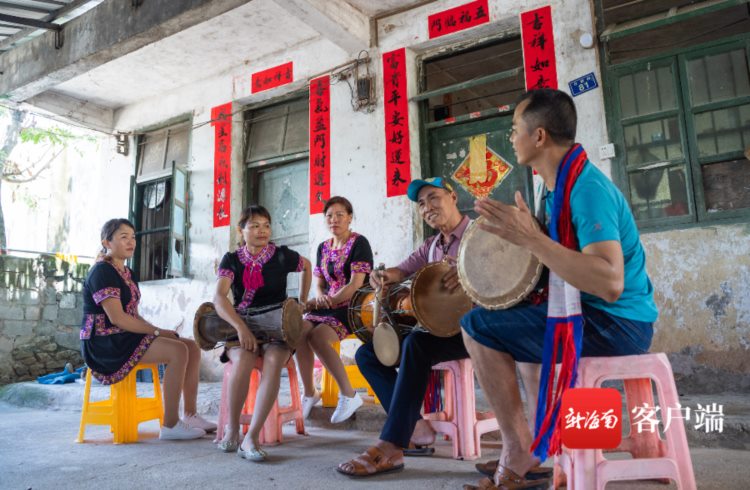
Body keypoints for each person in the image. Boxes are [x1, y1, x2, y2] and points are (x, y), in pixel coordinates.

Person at [461, 89, 658, 490]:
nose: (511, 138)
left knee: (476, 326)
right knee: (509, 323)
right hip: (597, 316)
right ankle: (542, 444)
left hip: (618, 322)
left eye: (515, 129)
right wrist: (527, 235)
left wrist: (533, 240)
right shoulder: (554, 188)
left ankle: (519, 449)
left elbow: (610, 282)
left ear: (539, 137)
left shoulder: (585, 189)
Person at [336, 177, 473, 477]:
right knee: (367, 356)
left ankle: (392, 444)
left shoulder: (478, 235)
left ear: (453, 197)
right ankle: (415, 426)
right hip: (437, 330)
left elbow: (500, 276)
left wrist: (469, 272)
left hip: (473, 330)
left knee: (415, 344)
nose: (427, 207)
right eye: (421, 204)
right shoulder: (431, 246)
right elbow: (401, 270)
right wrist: (383, 276)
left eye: (433, 198)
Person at [81, 218, 215, 440]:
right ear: (107, 241)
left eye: (133, 237)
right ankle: (171, 425)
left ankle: (190, 414)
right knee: (176, 351)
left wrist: (156, 329)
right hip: (103, 342)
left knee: (190, 346)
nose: (131, 241)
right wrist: (157, 332)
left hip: (122, 335)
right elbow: (118, 318)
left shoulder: (128, 273)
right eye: (123, 237)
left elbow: (132, 314)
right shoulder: (101, 271)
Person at [213, 205, 311, 461]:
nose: (262, 231)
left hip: (276, 325)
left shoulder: (281, 255)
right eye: (254, 225)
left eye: (266, 225)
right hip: (241, 323)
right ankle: (233, 429)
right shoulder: (231, 259)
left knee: (273, 360)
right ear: (241, 230)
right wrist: (240, 328)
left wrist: (301, 300)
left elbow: (308, 266)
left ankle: (251, 437)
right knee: (244, 358)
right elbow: (219, 298)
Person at [296, 196, 373, 424]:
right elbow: (319, 282)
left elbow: (356, 284)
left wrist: (332, 300)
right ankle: (310, 392)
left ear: (350, 217)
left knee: (318, 337)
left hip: (353, 306)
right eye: (329, 215)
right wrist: (320, 297)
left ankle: (349, 394)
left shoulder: (360, 243)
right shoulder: (323, 247)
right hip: (327, 305)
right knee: (299, 330)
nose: (334, 219)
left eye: (340, 215)